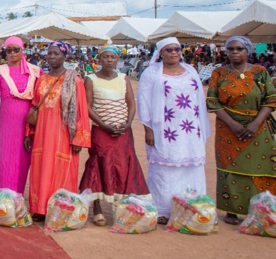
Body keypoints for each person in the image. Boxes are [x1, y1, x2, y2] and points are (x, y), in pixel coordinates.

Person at [138, 37, 209, 223]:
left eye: (177, 49)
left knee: (191, 167)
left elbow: (199, 100)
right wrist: (148, 130)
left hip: (191, 129)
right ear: (160, 53)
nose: (174, 52)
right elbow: (143, 102)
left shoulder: (190, 70)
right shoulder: (151, 73)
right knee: (164, 168)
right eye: (168, 50)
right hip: (164, 130)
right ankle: (163, 209)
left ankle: (191, 206)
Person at [207, 35, 276, 225]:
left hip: (259, 127)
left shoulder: (260, 72)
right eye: (231, 49)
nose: (235, 52)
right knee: (230, 168)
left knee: (261, 167)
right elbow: (212, 101)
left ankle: (261, 209)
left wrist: (254, 124)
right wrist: (233, 124)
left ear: (248, 51)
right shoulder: (219, 73)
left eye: (239, 49)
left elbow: (271, 99)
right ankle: (231, 211)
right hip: (228, 128)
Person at [79, 46, 149, 226]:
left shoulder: (124, 78)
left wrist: (127, 124)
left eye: (113, 57)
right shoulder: (91, 79)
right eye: (106, 57)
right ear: (99, 59)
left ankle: (121, 207)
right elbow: (87, 106)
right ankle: (97, 208)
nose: (109, 60)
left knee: (123, 165)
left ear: (117, 60)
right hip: (101, 130)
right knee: (98, 164)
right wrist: (103, 125)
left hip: (123, 130)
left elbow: (131, 102)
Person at [25, 41, 91, 219]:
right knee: (41, 168)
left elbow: (80, 110)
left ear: (65, 56)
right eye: (49, 54)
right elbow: (34, 106)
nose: (52, 57)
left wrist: (79, 137)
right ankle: (40, 209)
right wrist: (28, 132)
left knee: (61, 168)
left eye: (56, 54)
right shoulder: (42, 79)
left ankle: (60, 208)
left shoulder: (74, 80)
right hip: (42, 132)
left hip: (63, 133)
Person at [0, 36, 41, 194]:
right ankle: (2, 204)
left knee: (22, 163)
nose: (12, 53)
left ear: (23, 50)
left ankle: (17, 200)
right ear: (4, 52)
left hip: (26, 126)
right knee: (4, 162)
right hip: (4, 126)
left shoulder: (35, 72)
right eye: (9, 50)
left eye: (16, 49)